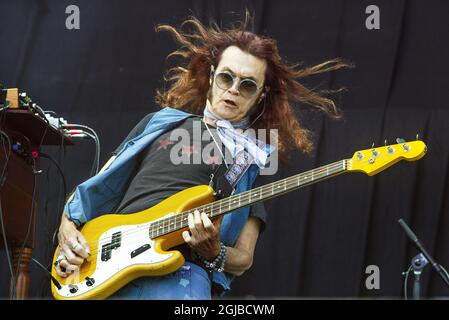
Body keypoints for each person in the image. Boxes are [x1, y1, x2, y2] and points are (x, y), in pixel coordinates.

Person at [54, 13, 349, 299]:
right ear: (211, 76)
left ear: (260, 94)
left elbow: (244, 258)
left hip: (179, 277)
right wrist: (67, 234)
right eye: (226, 78)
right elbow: (94, 189)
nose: (233, 90)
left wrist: (214, 251)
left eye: (247, 85)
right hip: (104, 268)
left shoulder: (252, 157)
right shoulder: (161, 122)